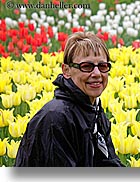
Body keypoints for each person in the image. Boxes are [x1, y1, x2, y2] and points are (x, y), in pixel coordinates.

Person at [15, 31, 124, 167]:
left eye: (102, 66)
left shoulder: (93, 109)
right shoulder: (57, 119)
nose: (96, 74)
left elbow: (108, 163)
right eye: (86, 66)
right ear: (66, 70)